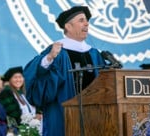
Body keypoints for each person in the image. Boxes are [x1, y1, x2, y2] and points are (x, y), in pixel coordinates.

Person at [23, 6, 106, 136]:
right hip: (62, 115)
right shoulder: (57, 51)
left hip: (93, 115)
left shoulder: (94, 54)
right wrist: (49, 58)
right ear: (68, 26)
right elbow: (34, 76)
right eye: (81, 20)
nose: (86, 23)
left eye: (86, 21)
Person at [0, 66, 42, 134]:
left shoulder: (25, 93)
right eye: (15, 77)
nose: (18, 80)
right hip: (21, 128)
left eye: (20, 77)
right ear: (10, 80)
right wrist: (31, 121)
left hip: (34, 125)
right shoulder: (6, 93)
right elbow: (12, 114)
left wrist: (38, 113)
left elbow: (36, 106)